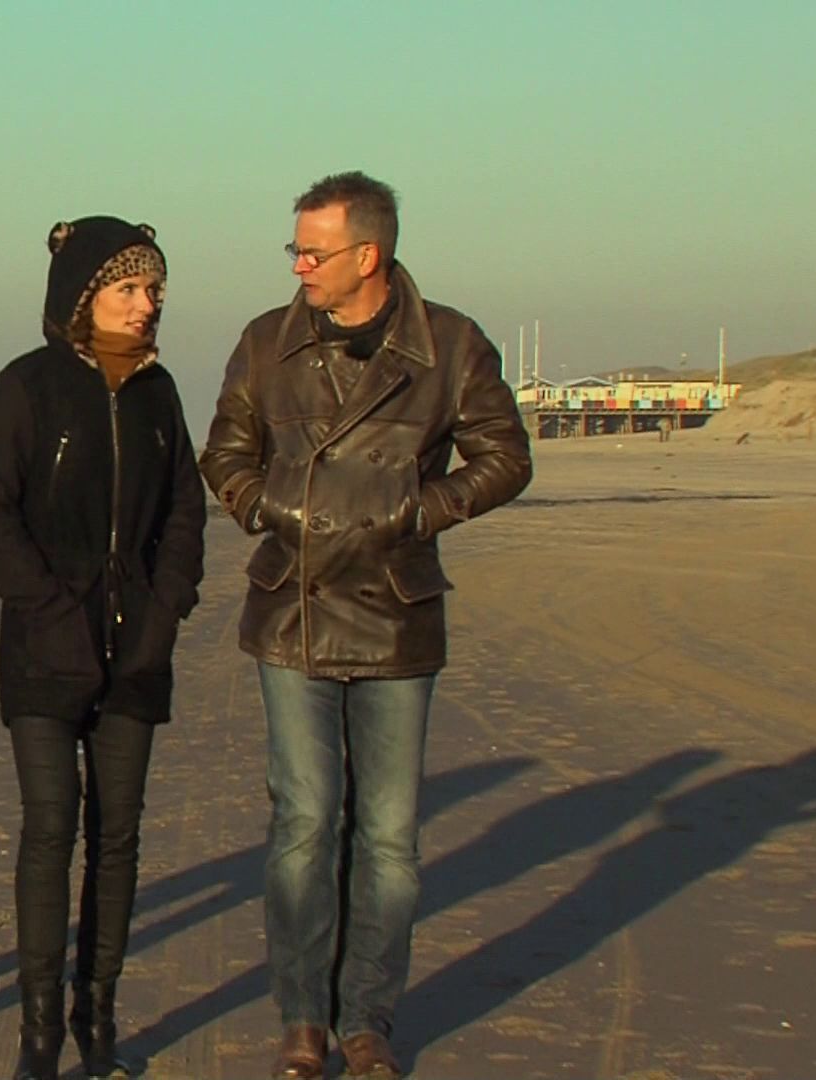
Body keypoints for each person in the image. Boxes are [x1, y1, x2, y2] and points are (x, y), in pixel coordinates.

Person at [200, 172, 532, 1079]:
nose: (299, 266)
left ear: (367, 255)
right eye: (295, 250)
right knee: (305, 822)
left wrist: (420, 510)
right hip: (292, 608)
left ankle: (367, 1020)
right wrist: (273, 508)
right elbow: (223, 454)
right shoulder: (266, 342)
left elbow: (506, 457)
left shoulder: (450, 344)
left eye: (313, 252)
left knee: (389, 838)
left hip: (395, 611)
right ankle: (303, 1019)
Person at [0, 216, 206, 1080]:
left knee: (119, 836)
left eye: (154, 290)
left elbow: (185, 513)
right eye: (129, 288)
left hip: (135, 653)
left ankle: (96, 1014)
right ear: (82, 296)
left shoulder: (159, 393)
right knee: (51, 827)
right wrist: (49, 611)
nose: (146, 305)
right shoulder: (26, 386)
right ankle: (38, 1033)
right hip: (45, 652)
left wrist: (163, 613)